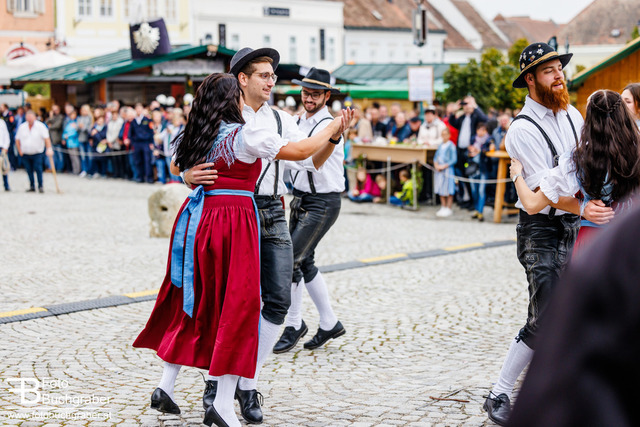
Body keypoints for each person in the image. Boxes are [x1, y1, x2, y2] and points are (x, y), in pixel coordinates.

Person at [133, 72, 350, 427]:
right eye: (263, 75)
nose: (270, 81)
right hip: (234, 219)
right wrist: (335, 126)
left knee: (208, 301)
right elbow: (300, 151)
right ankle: (222, 397)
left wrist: (186, 174)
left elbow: (177, 161)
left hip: (207, 218)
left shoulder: (205, 128)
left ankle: (188, 388)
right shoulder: (244, 132)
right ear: (238, 89)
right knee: (238, 305)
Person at [482, 42, 615, 426]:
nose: (559, 76)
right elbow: (543, 192)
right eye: (549, 71)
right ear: (530, 79)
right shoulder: (522, 129)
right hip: (539, 230)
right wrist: (584, 207)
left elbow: (585, 167)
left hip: (575, 225)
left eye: (559, 68)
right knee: (547, 316)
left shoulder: (572, 114)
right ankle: (500, 393)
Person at [506, 201, 640, 427]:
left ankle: (502, 390)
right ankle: (501, 389)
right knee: (550, 322)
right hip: (581, 235)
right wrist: (582, 207)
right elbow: (533, 203)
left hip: (583, 233)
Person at [509, 89, 639, 255]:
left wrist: (517, 175)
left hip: (593, 243)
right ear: (624, 116)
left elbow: (532, 205)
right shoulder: (637, 153)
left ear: (589, 121)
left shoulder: (577, 160)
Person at [273, 67, 346, 354]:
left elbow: (312, 160)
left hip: (324, 201)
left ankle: (294, 323)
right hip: (301, 198)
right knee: (304, 262)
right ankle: (329, 322)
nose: (309, 98)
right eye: (306, 93)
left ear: (327, 96)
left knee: (291, 260)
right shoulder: (296, 121)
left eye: (315, 94)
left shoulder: (331, 125)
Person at [448, 95, 487, 209]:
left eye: (467, 103)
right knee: (461, 175)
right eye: (464, 104)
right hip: (460, 151)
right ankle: (466, 198)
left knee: (470, 175)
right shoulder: (462, 117)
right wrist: (454, 111)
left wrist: (475, 106)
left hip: (470, 152)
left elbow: (484, 119)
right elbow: (452, 122)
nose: (466, 106)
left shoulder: (475, 116)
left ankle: (473, 202)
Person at [15, 110, 53, 193]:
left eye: (31, 117)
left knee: (38, 169)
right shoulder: (22, 127)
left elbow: (46, 138)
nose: (29, 119)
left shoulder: (41, 126)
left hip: (37, 152)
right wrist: (19, 150)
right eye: (28, 117)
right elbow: (17, 139)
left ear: (35, 117)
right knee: (29, 170)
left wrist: (49, 148)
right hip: (25, 152)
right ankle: (32, 185)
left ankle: (40, 186)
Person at [468, 122, 492, 222]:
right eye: (479, 129)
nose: (481, 132)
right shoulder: (473, 139)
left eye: (483, 130)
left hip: (483, 168)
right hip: (472, 167)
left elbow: (489, 151)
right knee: (474, 190)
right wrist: (470, 152)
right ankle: (477, 209)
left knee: (481, 190)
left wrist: (479, 151)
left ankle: (481, 212)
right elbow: (467, 152)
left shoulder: (489, 140)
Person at [128, 103, 155, 183]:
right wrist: (133, 142)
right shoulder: (133, 121)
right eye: (137, 109)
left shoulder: (147, 120)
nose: (139, 110)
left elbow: (151, 132)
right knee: (138, 160)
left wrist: (151, 142)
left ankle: (149, 177)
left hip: (146, 142)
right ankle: (140, 177)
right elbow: (130, 133)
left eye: (140, 108)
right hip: (137, 143)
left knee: (147, 160)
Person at [433, 127, 457, 217]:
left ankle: (448, 207)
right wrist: (436, 165)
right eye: (443, 134)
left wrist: (444, 166)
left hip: (447, 170)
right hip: (439, 170)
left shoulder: (451, 146)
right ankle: (443, 206)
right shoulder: (440, 145)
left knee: (448, 189)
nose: (444, 136)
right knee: (441, 188)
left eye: (446, 134)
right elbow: (436, 157)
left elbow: (453, 159)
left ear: (449, 135)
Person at [45, 105, 65, 172]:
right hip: (51, 139)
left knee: (60, 155)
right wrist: (50, 117)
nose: (55, 111)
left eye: (56, 110)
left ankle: (60, 168)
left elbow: (57, 125)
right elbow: (46, 123)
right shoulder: (52, 117)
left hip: (57, 139)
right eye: (53, 110)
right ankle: (54, 168)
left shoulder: (61, 117)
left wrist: (50, 126)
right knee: (54, 155)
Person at [62, 109, 81, 175]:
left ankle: (77, 170)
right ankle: (74, 170)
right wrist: (64, 137)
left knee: (75, 157)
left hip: (75, 143)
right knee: (72, 157)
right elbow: (65, 132)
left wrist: (68, 136)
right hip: (69, 143)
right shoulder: (68, 123)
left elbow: (76, 133)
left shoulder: (77, 123)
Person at [77, 104, 93, 177]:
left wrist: (83, 127)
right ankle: (84, 170)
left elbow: (89, 129)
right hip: (81, 139)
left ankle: (90, 171)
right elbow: (77, 128)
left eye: (85, 110)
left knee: (89, 156)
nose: (83, 112)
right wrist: (79, 127)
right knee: (83, 156)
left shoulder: (90, 118)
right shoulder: (79, 118)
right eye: (82, 110)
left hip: (88, 139)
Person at [0, 117, 10, 191]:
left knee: (4, 167)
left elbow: (6, 135)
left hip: (1, 148)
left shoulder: (1, 122)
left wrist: (6, 147)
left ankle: (6, 185)